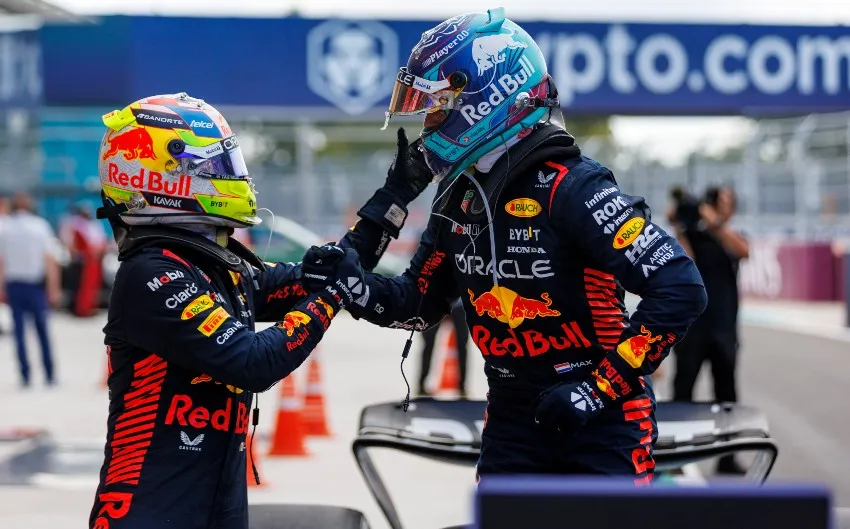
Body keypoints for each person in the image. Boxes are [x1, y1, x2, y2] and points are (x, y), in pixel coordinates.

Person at [301, 8, 707, 484]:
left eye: (437, 105)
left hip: (604, 418)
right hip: (512, 418)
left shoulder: (573, 187)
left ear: (484, 97)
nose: (429, 121)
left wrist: (598, 389)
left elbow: (680, 288)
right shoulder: (457, 198)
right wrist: (353, 286)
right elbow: (418, 304)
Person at [88, 92, 430, 529]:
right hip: (148, 511)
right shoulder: (150, 274)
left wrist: (396, 195)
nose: (229, 177)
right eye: (212, 167)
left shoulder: (211, 265)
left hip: (217, 507)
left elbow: (326, 272)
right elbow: (251, 362)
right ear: (159, 178)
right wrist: (331, 296)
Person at [669, 185, 749, 474]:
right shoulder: (693, 235)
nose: (721, 206)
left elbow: (743, 251)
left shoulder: (731, 237)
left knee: (727, 395)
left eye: (726, 202)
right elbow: (683, 260)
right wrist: (681, 226)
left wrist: (715, 225)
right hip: (693, 328)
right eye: (718, 201)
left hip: (724, 328)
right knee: (683, 391)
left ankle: (727, 457)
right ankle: (675, 456)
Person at [0, 192, 61, 387]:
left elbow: (1, 262)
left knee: (19, 332)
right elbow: (50, 260)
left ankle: (25, 375)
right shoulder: (40, 226)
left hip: (14, 284)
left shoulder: (4, 228)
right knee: (42, 330)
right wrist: (53, 287)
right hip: (35, 285)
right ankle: (49, 373)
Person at [417, 299, 469, 397]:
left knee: (462, 346)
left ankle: (462, 386)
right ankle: (421, 384)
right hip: (435, 303)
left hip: (459, 305)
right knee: (428, 344)